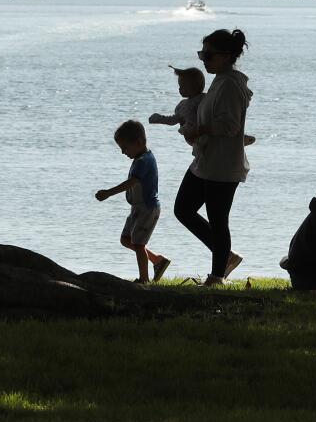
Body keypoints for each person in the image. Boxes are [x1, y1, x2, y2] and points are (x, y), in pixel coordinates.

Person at [173, 28, 253, 287]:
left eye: (208, 55)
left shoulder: (230, 84)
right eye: (201, 54)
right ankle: (225, 257)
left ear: (226, 55)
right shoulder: (220, 80)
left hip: (222, 165)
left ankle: (217, 276)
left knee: (218, 220)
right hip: (206, 161)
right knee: (183, 209)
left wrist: (201, 129)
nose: (203, 60)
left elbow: (229, 126)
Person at [94, 120, 170, 283]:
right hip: (137, 208)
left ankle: (144, 279)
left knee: (139, 244)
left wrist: (109, 193)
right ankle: (157, 260)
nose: (123, 152)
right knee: (126, 240)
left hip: (147, 208)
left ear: (139, 142)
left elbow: (132, 182)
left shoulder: (143, 160)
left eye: (125, 148)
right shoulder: (141, 158)